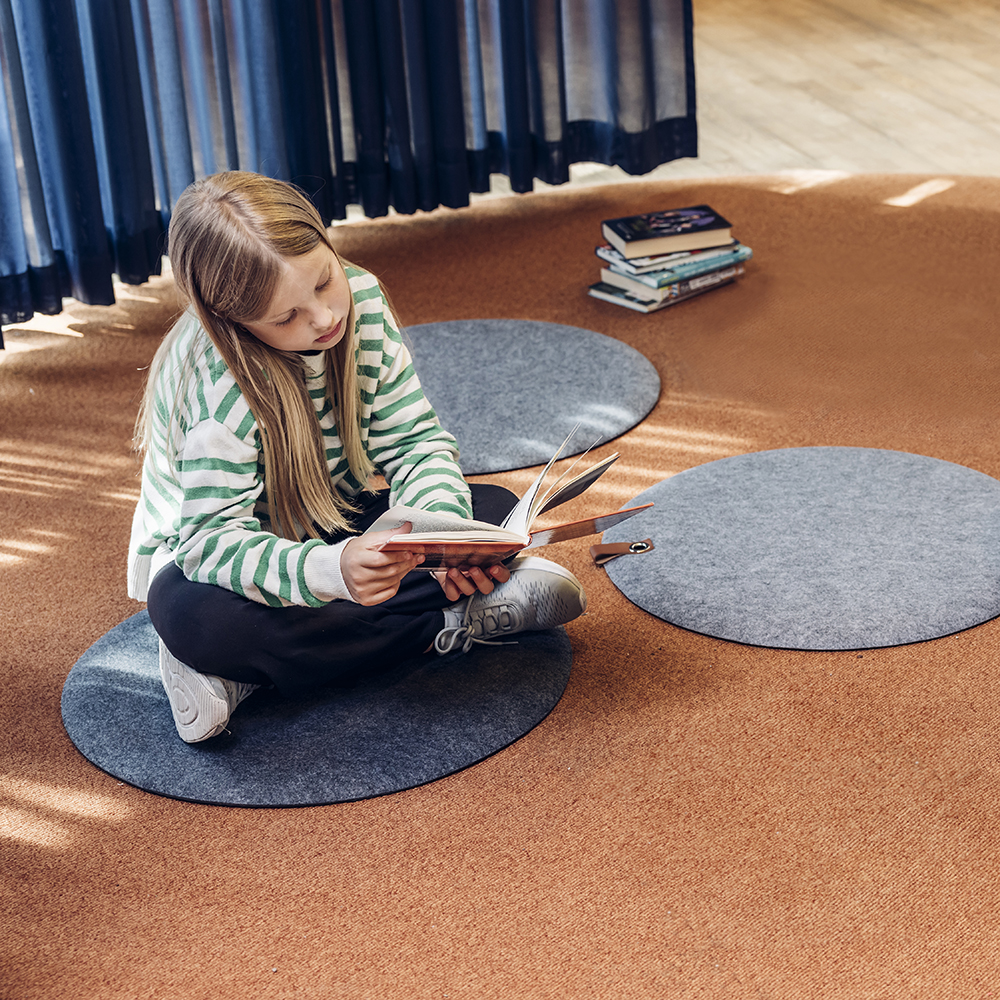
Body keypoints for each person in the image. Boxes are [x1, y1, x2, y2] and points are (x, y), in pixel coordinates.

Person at [128, 171, 586, 743]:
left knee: (492, 509)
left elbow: (415, 443)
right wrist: (333, 571)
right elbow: (209, 544)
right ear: (232, 320)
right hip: (217, 562)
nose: (323, 318)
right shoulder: (217, 390)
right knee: (193, 618)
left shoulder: (361, 301)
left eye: (324, 281)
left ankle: (259, 674)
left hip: (329, 518)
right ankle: (444, 622)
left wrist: (443, 543)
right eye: (285, 318)